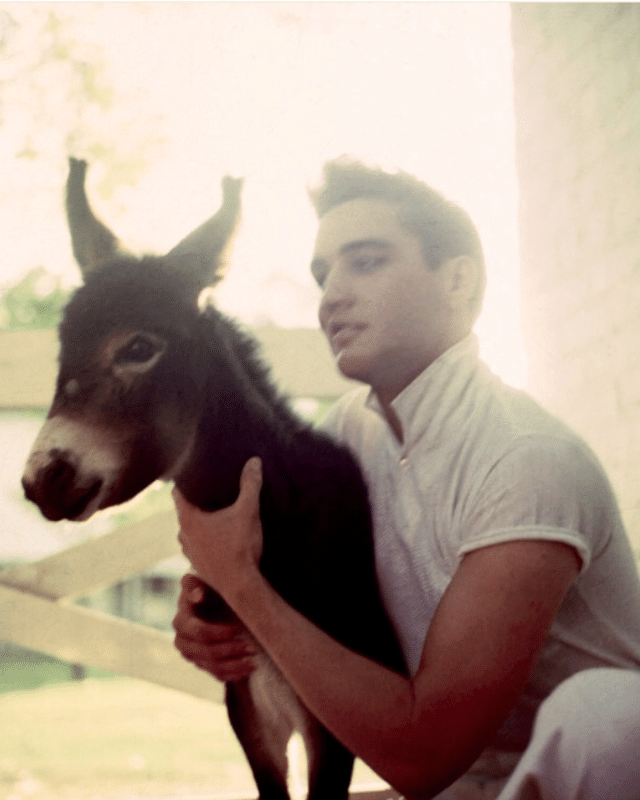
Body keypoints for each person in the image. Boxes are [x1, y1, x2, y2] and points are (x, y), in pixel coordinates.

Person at [172, 159, 640, 799]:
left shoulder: (525, 456)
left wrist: (241, 583)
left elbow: (424, 755)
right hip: (459, 790)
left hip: (589, 775)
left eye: (365, 263)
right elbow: (249, 579)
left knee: (605, 713)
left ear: (458, 282)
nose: (332, 293)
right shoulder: (339, 442)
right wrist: (214, 619)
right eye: (322, 273)